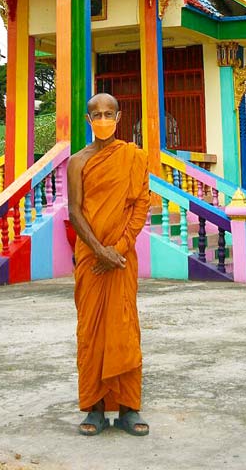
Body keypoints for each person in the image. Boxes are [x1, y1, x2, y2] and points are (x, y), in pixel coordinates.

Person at [67, 92, 151, 437]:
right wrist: (99, 250)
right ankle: (96, 408)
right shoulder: (78, 161)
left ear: (119, 117)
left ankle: (130, 408)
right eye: (96, 114)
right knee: (91, 331)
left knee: (124, 329)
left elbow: (140, 205)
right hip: (91, 257)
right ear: (89, 121)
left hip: (121, 258)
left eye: (108, 113)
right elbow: (74, 211)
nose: (102, 119)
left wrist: (117, 249)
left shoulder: (133, 157)